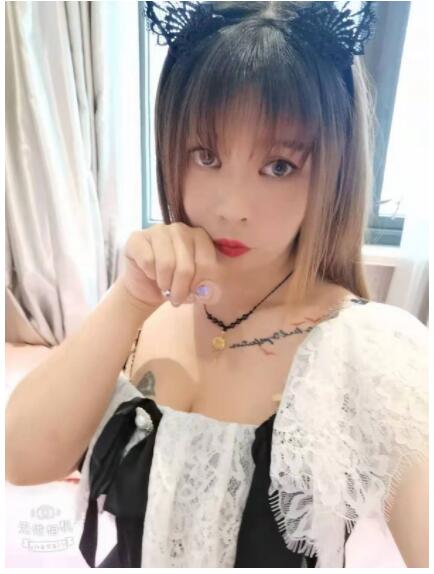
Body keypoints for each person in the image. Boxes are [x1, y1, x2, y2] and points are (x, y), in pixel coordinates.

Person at [5, 1, 428, 568]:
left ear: (334, 172)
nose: (231, 208)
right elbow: (22, 460)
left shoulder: (373, 351)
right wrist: (128, 299)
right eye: (206, 156)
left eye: (279, 166)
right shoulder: (145, 307)